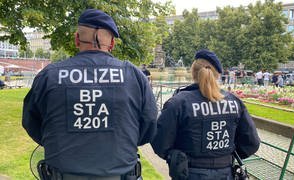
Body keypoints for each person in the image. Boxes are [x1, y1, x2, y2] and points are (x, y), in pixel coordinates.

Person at [22, 9, 157, 179]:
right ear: (112, 43)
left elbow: (31, 121)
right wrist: (122, 141)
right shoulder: (134, 76)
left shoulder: (50, 76)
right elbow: (150, 124)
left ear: (77, 39)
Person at [151, 49, 260, 180]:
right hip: (225, 173)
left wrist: (176, 157)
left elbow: (160, 142)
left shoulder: (178, 103)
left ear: (193, 73)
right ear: (218, 75)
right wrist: (225, 155)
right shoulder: (234, 102)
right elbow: (251, 142)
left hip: (190, 173)